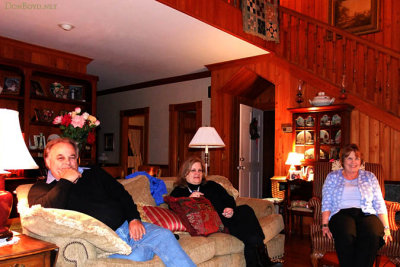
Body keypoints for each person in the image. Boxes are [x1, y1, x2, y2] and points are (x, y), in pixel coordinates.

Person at [28, 138, 195, 267]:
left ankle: (150, 244)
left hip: (128, 228)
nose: (68, 163)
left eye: (72, 157)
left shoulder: (93, 173)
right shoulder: (41, 189)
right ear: (48, 161)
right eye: (60, 158)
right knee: (141, 254)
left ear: (77, 159)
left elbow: (122, 195)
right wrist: (64, 181)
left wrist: (134, 219)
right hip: (105, 241)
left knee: (163, 236)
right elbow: (47, 210)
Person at [170, 157, 281, 267]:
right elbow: (174, 207)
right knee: (248, 226)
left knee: (247, 214)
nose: (197, 173)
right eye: (193, 170)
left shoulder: (211, 185)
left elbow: (228, 198)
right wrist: (189, 198)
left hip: (227, 217)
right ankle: (263, 259)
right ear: (185, 173)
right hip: (213, 223)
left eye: (200, 170)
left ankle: (255, 261)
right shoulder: (179, 191)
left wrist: (229, 208)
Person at [321, 144, 392, 267]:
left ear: (361, 161)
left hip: (366, 213)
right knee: (347, 234)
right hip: (341, 213)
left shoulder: (370, 176)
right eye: (349, 158)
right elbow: (326, 202)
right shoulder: (332, 177)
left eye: (357, 158)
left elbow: (379, 202)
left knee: (373, 234)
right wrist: (325, 224)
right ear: (342, 160)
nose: (353, 162)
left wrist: (386, 227)